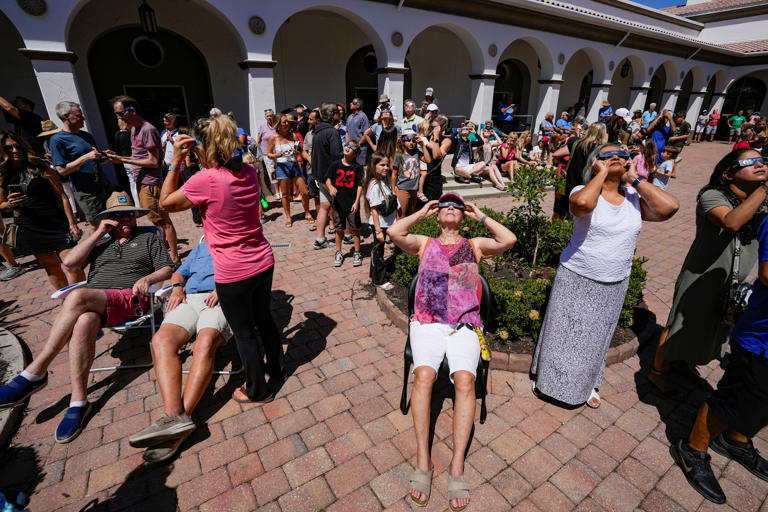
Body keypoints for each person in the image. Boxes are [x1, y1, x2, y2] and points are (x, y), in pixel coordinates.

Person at [0, 191, 173, 442]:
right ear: (108, 219)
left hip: (131, 300)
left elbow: (168, 268)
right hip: (99, 307)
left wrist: (148, 278)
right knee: (83, 322)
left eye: (130, 215)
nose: (125, 220)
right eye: (118, 216)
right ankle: (79, 402)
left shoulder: (149, 238)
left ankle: (34, 373)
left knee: (77, 297)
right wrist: (97, 233)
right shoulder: (100, 242)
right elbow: (69, 264)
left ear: (136, 217)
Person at [388, 193, 516, 511]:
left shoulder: (474, 246)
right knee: (424, 376)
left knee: (464, 381)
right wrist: (421, 213)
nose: (450, 209)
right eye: (444, 206)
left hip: (464, 325)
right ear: (436, 214)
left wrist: (480, 216)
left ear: (463, 217)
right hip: (428, 322)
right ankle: (423, 461)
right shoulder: (424, 243)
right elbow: (394, 233)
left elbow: (508, 238)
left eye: (456, 207)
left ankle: (457, 465)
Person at [532, 144, 679, 408]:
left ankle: (587, 383)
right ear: (594, 163)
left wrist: (634, 178)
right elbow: (581, 206)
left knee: (596, 337)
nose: (615, 158)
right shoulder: (582, 191)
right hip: (577, 275)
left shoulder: (635, 197)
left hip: (615, 280)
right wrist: (599, 175)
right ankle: (548, 382)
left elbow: (669, 207)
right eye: (606, 155)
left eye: (622, 155)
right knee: (563, 333)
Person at [161, 115, 285, 404]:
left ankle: (257, 390)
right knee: (264, 318)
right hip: (262, 259)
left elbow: (165, 203)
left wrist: (176, 161)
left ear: (206, 147)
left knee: (244, 332)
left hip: (233, 268)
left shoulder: (207, 179)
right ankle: (277, 368)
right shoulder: (249, 172)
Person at [648, 149, 768, 394]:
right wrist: (765, 190)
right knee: (679, 323)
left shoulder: (761, 203)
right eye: (750, 162)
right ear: (728, 174)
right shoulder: (712, 196)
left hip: (733, 281)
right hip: (701, 276)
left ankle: (683, 362)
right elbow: (731, 222)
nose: (760, 165)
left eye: (762, 160)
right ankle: (657, 371)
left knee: (710, 325)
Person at [670, 214, 768, 505]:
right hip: (761, 337)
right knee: (734, 395)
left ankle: (736, 439)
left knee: (763, 399)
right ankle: (693, 449)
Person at [128, 238, 232, 463]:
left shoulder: (239, 241)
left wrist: (225, 288)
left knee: (204, 343)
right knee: (161, 340)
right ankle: (178, 418)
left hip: (220, 298)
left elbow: (249, 274)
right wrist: (177, 289)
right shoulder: (201, 247)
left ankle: (175, 420)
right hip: (189, 299)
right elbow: (179, 273)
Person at [0, 132, 84, 290]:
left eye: (18, 146)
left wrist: (72, 223)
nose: (14, 150)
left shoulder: (40, 166)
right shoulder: (3, 174)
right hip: (30, 226)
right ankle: (66, 301)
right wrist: (10, 205)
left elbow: (63, 196)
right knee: (51, 266)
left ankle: (79, 298)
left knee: (73, 264)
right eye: (8, 148)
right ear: (2, 150)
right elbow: (1, 204)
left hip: (56, 223)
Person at [106, 96, 179, 263]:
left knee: (163, 222)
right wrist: (117, 157)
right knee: (157, 222)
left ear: (131, 111)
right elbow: (139, 156)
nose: (118, 117)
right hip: (142, 182)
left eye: (120, 113)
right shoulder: (134, 129)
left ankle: (174, 259)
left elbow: (154, 162)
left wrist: (123, 159)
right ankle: (164, 255)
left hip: (151, 183)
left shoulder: (147, 130)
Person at [49, 101, 113, 231]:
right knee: (98, 228)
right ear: (66, 116)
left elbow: (95, 159)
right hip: (87, 191)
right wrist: (85, 157)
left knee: (113, 221)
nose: (83, 118)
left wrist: (105, 157)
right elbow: (62, 170)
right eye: (79, 116)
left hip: (104, 186)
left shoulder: (86, 136)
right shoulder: (57, 140)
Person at [268, 113, 313, 228]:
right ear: (278, 124)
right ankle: (288, 217)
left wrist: (308, 158)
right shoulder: (273, 138)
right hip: (282, 167)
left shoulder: (293, 136)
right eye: (284, 122)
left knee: (305, 192)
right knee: (285, 194)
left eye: (287, 122)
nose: (287, 124)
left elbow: (301, 150)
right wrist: (275, 155)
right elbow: (268, 154)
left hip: (294, 166)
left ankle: (307, 212)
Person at [310, 103, 344, 250]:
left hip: (319, 176)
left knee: (324, 207)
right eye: (337, 112)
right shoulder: (332, 133)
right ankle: (348, 235)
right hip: (331, 177)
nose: (340, 115)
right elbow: (337, 156)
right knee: (343, 206)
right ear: (331, 115)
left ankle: (320, 239)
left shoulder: (317, 131)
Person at [327, 141, 364, 267]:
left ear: (355, 154)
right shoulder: (335, 164)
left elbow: (360, 185)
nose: (348, 147)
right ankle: (338, 252)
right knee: (339, 228)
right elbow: (327, 178)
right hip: (338, 203)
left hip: (352, 203)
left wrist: (357, 202)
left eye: (352, 147)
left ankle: (357, 252)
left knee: (355, 228)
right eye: (347, 145)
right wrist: (330, 187)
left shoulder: (357, 167)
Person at [365, 152, 398, 288]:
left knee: (379, 250)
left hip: (386, 222)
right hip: (380, 224)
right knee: (379, 252)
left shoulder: (384, 181)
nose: (385, 167)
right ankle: (380, 280)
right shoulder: (374, 185)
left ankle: (375, 275)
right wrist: (378, 231)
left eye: (387, 165)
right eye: (382, 165)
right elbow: (374, 209)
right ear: (374, 166)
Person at [564, 123, 608, 199]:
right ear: (602, 133)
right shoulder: (601, 149)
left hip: (572, 183)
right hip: (589, 185)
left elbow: (556, 155)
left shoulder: (577, 144)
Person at [393, 129, 431, 217]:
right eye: (408, 140)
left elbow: (428, 160)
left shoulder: (417, 153)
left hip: (414, 189)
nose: (411, 143)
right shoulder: (399, 155)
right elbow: (394, 174)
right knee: (401, 215)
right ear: (403, 141)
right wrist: (393, 191)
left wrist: (423, 145)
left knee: (411, 214)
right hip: (402, 189)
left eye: (413, 140)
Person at [417, 115, 452, 205]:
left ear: (442, 129)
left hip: (434, 179)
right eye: (431, 127)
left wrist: (436, 138)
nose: (432, 129)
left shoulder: (446, 141)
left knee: (432, 207)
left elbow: (436, 156)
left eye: (435, 128)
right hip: (421, 177)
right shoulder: (426, 137)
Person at [301, 109, 321, 225]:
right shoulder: (309, 134)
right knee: (316, 196)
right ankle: (320, 219)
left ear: (318, 121)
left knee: (328, 197)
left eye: (310, 119)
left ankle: (333, 221)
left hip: (323, 170)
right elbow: (304, 151)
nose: (308, 121)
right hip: (311, 170)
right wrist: (310, 159)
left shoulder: (325, 132)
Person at [346, 98, 370, 165]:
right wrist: (347, 144)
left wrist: (357, 145)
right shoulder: (350, 116)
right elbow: (347, 132)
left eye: (353, 103)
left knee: (359, 169)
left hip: (360, 149)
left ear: (358, 105)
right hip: (349, 148)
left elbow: (366, 134)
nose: (350, 104)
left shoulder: (363, 117)